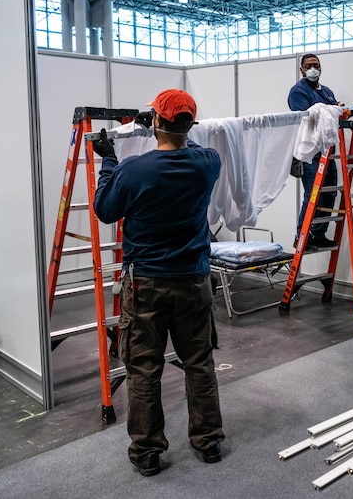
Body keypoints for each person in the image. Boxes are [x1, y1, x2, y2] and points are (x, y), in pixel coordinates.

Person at [91, 89, 224, 477]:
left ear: (156, 123)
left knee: (144, 368)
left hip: (145, 284)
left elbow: (105, 209)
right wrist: (172, 128)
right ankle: (208, 441)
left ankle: (148, 451)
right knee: (199, 363)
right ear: (190, 125)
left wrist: (108, 161)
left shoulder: (134, 170)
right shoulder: (208, 163)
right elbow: (188, 146)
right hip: (195, 280)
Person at [287, 53, 353, 249]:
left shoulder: (327, 91)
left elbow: (331, 115)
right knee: (313, 193)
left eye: (316, 65)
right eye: (309, 65)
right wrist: (335, 111)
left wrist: (347, 112)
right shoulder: (298, 92)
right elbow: (308, 117)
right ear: (301, 69)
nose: (313, 69)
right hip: (310, 153)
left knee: (329, 194)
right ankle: (302, 236)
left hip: (328, 151)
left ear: (321, 68)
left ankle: (318, 233)